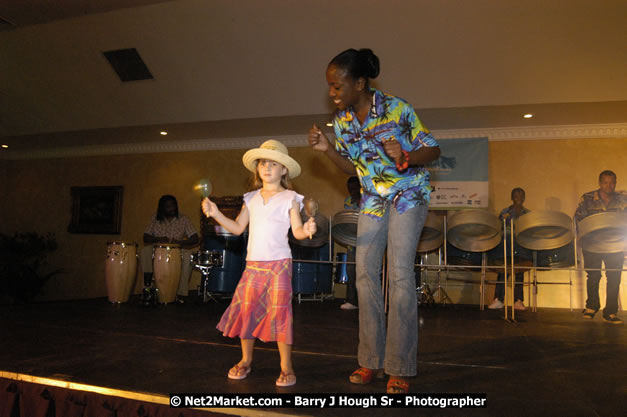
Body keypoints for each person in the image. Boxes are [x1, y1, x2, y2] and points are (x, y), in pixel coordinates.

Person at [308, 48, 440, 394]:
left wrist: (407, 155)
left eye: (337, 86)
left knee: (398, 273)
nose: (332, 93)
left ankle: (400, 365)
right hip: (373, 199)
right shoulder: (343, 122)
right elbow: (354, 168)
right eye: (330, 87)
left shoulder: (397, 108)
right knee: (364, 272)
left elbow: (434, 149)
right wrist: (327, 150)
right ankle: (370, 359)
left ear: (360, 83)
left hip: (408, 194)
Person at [201, 139, 316, 387]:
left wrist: (307, 229)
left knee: (281, 313)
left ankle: (286, 367)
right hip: (253, 265)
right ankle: (245, 360)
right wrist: (216, 213)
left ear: (283, 170)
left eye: (273, 163)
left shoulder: (290, 198)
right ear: (257, 168)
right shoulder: (251, 198)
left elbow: (296, 231)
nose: (267, 167)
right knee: (247, 312)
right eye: (263, 163)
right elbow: (237, 228)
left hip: (279, 265)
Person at [575, 170, 626, 324]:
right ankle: (591, 307)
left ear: (615, 183)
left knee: (614, 278)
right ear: (599, 183)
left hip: (615, 244)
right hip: (592, 244)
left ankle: (610, 312)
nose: (609, 186)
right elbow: (578, 218)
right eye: (605, 182)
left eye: (612, 182)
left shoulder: (623, 199)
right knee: (593, 276)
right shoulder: (587, 198)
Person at [142, 195, 199, 303]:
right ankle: (148, 288)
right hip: (158, 250)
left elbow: (195, 238)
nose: (171, 208)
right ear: (162, 208)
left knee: (188, 255)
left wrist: (180, 242)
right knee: (145, 251)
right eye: (168, 206)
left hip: (177, 250)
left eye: (173, 205)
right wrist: (158, 239)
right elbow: (145, 237)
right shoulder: (155, 219)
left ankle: (180, 292)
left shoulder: (183, 219)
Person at [488, 188, 530, 311]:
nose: (519, 198)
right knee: (503, 271)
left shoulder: (528, 213)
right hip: (506, 246)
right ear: (512, 197)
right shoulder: (505, 212)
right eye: (516, 195)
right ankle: (499, 299)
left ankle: (518, 301)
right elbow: (499, 228)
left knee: (519, 272)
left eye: (522, 195)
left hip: (521, 246)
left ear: (524, 198)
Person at [340, 176, 361, 310]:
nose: (351, 191)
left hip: (368, 240)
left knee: (366, 271)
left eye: (354, 188)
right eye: (349, 189)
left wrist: (360, 201)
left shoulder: (368, 200)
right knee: (351, 270)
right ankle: (353, 301)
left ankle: (366, 301)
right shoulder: (348, 201)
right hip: (352, 240)